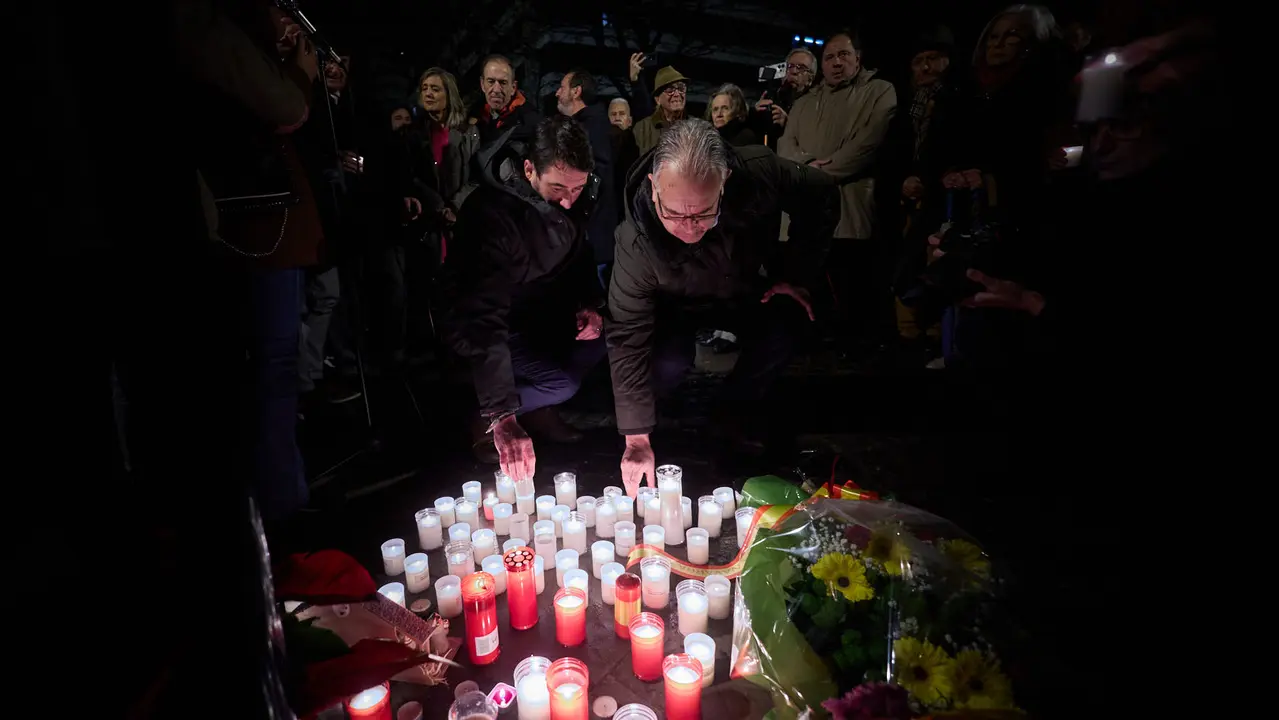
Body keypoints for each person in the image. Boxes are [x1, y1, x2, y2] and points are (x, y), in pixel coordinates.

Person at [607, 119, 839, 495]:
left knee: (790, 320)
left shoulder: (760, 174)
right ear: (653, 188)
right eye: (675, 214)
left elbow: (822, 193)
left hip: (744, 289)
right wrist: (635, 435)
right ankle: (660, 419)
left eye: (702, 213)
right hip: (675, 305)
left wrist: (795, 273)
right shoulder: (635, 243)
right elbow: (626, 332)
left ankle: (735, 413)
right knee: (664, 360)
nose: (689, 228)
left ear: (725, 182)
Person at [443, 116, 607, 479]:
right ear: (529, 168)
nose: (567, 202)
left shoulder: (572, 199)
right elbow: (483, 316)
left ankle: (537, 408)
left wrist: (589, 304)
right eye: (558, 188)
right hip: (492, 324)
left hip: (540, 314)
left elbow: (579, 254)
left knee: (605, 338)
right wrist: (500, 412)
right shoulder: (492, 215)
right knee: (562, 383)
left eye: (577, 189)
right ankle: (489, 417)